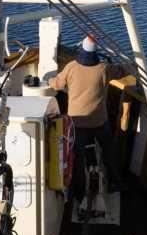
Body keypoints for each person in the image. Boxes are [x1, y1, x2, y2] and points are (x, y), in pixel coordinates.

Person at [47, 37, 126, 192]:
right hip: (99, 122)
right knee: (108, 152)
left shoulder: (71, 67)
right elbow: (121, 71)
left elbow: (57, 84)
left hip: (77, 123)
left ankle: (79, 190)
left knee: (77, 158)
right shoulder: (103, 69)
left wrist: (48, 80)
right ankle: (115, 182)